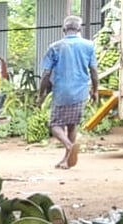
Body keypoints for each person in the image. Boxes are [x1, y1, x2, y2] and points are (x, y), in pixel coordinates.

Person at [37, 16, 98, 169]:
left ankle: (69, 147)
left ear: (63, 29)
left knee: (55, 125)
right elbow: (94, 70)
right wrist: (95, 90)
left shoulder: (55, 47)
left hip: (61, 92)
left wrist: (41, 94)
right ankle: (66, 159)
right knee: (71, 125)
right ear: (79, 29)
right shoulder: (89, 45)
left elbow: (46, 73)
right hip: (80, 91)